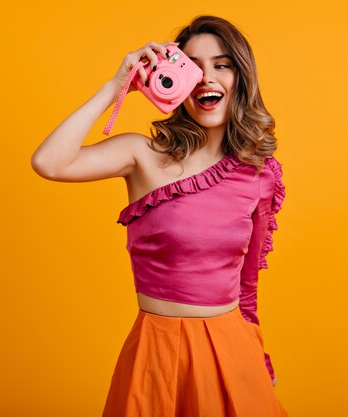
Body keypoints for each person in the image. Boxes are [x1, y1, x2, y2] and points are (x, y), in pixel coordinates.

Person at [31, 15, 288, 417]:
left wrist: (260, 356)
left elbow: (248, 286)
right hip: (156, 354)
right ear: (174, 77)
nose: (207, 78)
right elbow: (49, 162)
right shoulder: (142, 155)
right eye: (193, 66)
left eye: (222, 65)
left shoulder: (258, 174)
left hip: (232, 356)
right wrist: (116, 87)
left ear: (241, 78)